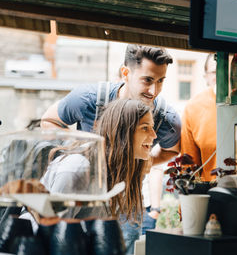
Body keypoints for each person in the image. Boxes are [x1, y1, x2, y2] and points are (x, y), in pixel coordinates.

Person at [40, 44, 181, 251]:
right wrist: (90, 154)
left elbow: (172, 150)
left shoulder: (167, 118)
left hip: (124, 197)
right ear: (126, 73)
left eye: (160, 81)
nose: (154, 91)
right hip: (84, 194)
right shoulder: (88, 99)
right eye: (147, 80)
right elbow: (48, 121)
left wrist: (144, 160)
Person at [40, 99, 156, 225]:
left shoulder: (116, 170)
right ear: (121, 132)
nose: (154, 135)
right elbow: (52, 228)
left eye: (152, 127)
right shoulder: (78, 168)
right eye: (145, 128)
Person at [180, 53, 217, 181]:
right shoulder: (193, 107)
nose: (223, 75)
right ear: (206, 77)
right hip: (212, 196)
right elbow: (189, 168)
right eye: (214, 72)